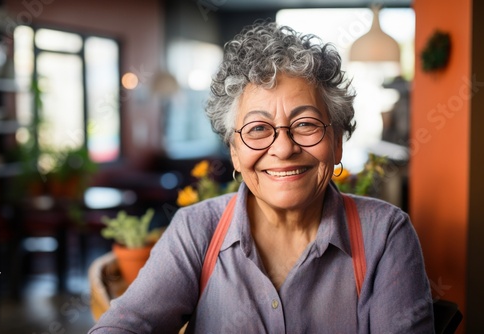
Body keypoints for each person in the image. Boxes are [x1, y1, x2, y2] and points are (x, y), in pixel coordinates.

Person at [89, 21, 434, 333]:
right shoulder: (197, 229)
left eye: (305, 124)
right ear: (235, 153)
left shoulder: (385, 234)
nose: (283, 149)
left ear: (337, 143)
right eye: (257, 129)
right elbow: (127, 325)